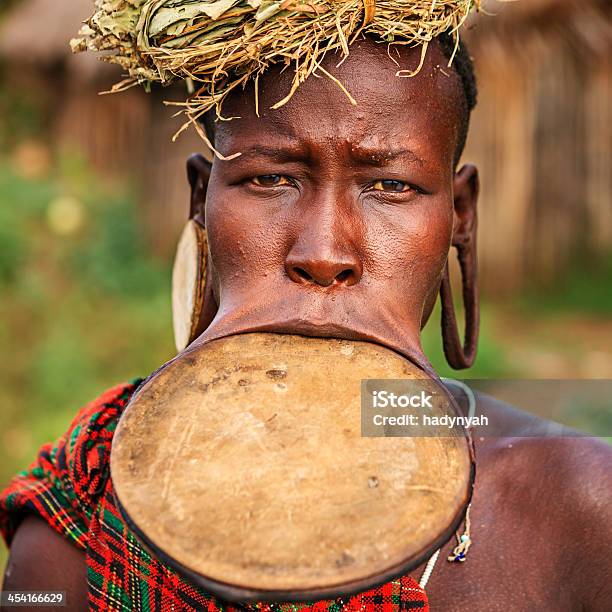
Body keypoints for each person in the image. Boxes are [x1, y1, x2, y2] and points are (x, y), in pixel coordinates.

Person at [2, 9, 612, 612]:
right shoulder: (85, 502)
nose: (323, 254)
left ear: (459, 216)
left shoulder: (583, 511)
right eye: (271, 179)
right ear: (200, 200)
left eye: (392, 186)